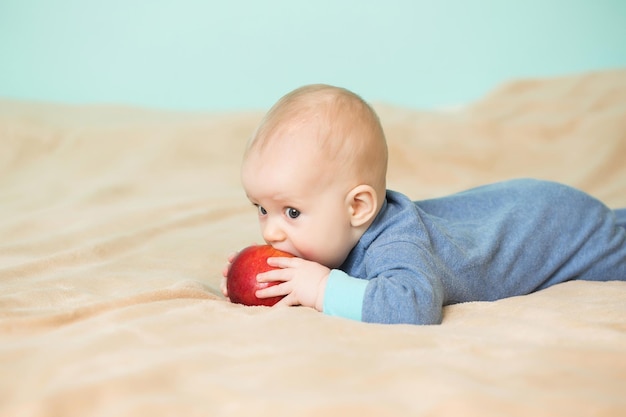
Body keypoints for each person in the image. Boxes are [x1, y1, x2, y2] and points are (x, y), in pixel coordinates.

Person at [221, 84, 626, 325]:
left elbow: (413, 305)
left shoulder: (397, 243)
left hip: (557, 228)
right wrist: (261, 277)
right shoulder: (336, 230)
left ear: (358, 207)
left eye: (291, 212)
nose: (271, 231)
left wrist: (321, 288)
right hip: (516, 206)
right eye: (261, 208)